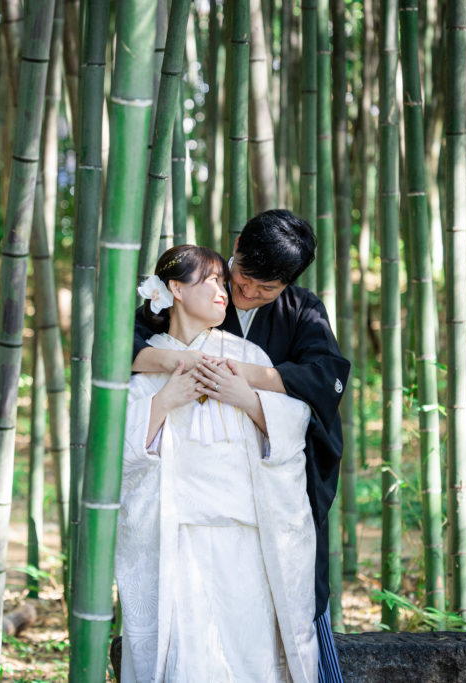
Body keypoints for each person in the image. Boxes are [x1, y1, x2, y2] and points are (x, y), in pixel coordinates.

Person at [130, 210, 350, 683]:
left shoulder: (302, 309)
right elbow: (121, 350)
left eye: (265, 290)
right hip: (184, 505)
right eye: (243, 279)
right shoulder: (199, 281)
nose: (245, 295)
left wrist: (242, 380)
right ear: (236, 248)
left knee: (298, 595)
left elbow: (325, 379)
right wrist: (179, 362)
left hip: (277, 486)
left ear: (287, 284)